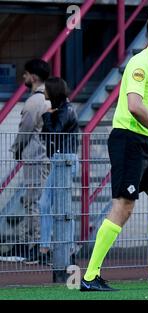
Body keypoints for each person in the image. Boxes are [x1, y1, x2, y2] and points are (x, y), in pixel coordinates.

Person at [80, 9, 148, 292]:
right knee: (124, 206)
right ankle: (90, 277)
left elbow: (147, 110)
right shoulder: (140, 63)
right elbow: (134, 106)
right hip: (127, 140)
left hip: (141, 142)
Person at [9, 59, 50, 264]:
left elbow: (25, 130)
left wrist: (16, 149)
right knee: (39, 201)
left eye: (25, 74)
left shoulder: (34, 101)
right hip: (46, 156)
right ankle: (36, 244)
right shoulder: (52, 97)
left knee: (33, 202)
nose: (23, 78)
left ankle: (36, 246)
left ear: (33, 76)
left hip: (35, 157)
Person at [39, 77, 80, 265]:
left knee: (60, 206)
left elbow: (53, 132)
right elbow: (46, 135)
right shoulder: (61, 109)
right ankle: (48, 246)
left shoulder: (65, 110)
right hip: (60, 159)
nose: (43, 91)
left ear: (52, 91)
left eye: (46, 89)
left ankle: (62, 247)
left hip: (65, 159)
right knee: (46, 203)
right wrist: (48, 116)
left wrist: (47, 116)